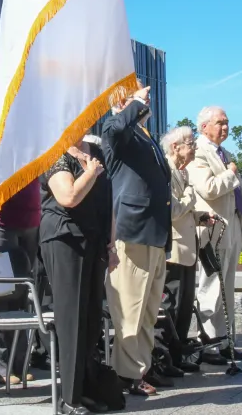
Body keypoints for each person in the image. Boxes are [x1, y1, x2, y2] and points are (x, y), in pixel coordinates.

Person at [100, 81, 172, 394]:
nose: (147, 96)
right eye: (138, 93)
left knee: (147, 310)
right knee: (130, 308)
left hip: (155, 232)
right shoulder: (118, 130)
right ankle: (128, 374)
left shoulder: (144, 136)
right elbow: (114, 129)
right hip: (132, 230)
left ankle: (142, 366)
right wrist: (134, 105)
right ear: (122, 102)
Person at [41, 130, 115, 415]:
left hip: (93, 241)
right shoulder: (54, 155)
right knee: (72, 320)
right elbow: (68, 196)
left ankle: (85, 391)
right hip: (64, 239)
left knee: (91, 320)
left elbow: (109, 201)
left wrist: (112, 244)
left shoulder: (94, 156)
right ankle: (69, 399)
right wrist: (91, 173)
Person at [0, 89, 42, 385]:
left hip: (30, 222)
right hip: (0, 224)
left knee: (22, 296)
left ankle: (19, 361)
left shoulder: (29, 134)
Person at [187, 106, 242, 362]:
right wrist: (231, 174)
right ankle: (208, 344)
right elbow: (208, 188)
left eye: (227, 122)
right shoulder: (199, 152)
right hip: (212, 229)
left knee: (227, 287)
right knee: (211, 287)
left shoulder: (223, 152)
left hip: (230, 226)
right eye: (219, 122)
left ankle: (226, 343)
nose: (225, 127)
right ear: (204, 127)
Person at [161, 126, 207, 372]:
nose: (195, 147)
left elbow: (185, 212)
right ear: (175, 147)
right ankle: (167, 358)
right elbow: (174, 211)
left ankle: (178, 357)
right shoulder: (167, 170)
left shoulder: (184, 172)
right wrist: (190, 196)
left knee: (185, 306)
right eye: (190, 143)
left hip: (188, 250)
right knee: (172, 306)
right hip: (174, 252)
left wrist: (200, 216)